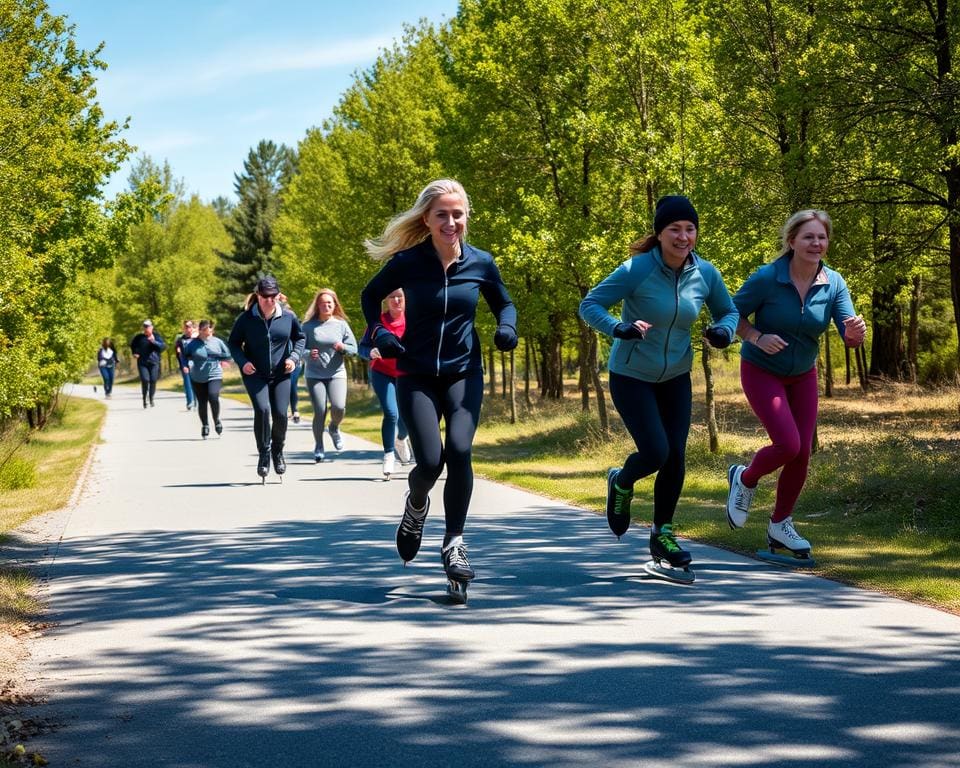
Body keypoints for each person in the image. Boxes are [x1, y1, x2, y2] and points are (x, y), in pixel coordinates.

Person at [360, 178, 517, 596]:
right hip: (416, 374)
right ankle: (415, 507)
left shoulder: (481, 263)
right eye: (442, 215)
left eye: (457, 214)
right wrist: (379, 334)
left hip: (464, 372)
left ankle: (454, 544)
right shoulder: (407, 262)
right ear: (427, 219)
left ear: (467, 217)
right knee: (430, 462)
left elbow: (504, 302)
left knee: (460, 451)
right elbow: (368, 298)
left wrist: (507, 326)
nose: (451, 222)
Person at [579, 195, 738, 580]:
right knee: (655, 451)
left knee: (676, 457)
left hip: (675, 377)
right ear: (659, 233)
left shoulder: (706, 274)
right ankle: (622, 481)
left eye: (690, 229)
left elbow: (729, 311)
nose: (683, 237)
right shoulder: (637, 269)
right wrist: (619, 327)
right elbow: (590, 304)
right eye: (674, 229)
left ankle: (662, 534)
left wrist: (723, 331)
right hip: (631, 374)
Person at [725, 209, 866, 558]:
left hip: (803, 373)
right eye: (808, 237)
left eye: (821, 237)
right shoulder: (767, 278)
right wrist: (756, 336)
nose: (816, 243)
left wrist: (853, 335)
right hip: (762, 370)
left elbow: (849, 333)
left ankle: (780, 524)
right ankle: (745, 478)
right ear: (791, 241)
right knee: (788, 443)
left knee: (802, 451)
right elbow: (729, 314)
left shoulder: (834, 283)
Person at [227, 276, 305, 480]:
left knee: (280, 414)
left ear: (278, 296)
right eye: (265, 297)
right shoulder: (246, 319)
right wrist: (243, 362)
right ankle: (264, 453)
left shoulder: (288, 317)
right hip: (255, 374)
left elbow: (300, 338)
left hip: (281, 374)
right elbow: (234, 343)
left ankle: (277, 451)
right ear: (258, 296)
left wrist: (294, 358)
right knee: (262, 410)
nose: (269, 300)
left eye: (273, 296)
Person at [358, 288, 413, 478]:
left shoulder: (413, 318)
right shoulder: (378, 322)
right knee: (391, 413)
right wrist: (370, 352)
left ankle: (401, 438)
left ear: (406, 299)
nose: (396, 300)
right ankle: (389, 454)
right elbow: (363, 347)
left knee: (407, 414)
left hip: (407, 373)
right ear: (386, 301)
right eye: (392, 297)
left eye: (400, 297)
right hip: (382, 372)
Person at [301, 288, 358, 462]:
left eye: (329, 303)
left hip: (336, 372)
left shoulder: (341, 324)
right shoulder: (308, 326)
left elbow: (354, 349)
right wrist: (309, 354)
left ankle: (333, 427)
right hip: (314, 373)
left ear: (334, 305)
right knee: (320, 410)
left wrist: (343, 348)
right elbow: (298, 349)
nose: (326, 306)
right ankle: (319, 446)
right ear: (317, 306)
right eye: (322, 303)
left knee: (339, 407)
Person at [185, 320, 231, 439]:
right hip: (197, 376)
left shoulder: (217, 342)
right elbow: (185, 356)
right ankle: (205, 425)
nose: (207, 333)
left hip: (215, 374)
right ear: (200, 330)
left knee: (213, 396)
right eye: (205, 330)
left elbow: (228, 355)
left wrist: (217, 356)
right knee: (202, 402)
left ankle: (216, 420)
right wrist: (187, 365)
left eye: (209, 330)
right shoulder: (193, 344)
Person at [130, 319, 166, 408]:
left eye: (148, 327)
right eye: (145, 327)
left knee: (153, 380)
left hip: (154, 362)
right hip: (142, 363)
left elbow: (163, 347)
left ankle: (151, 398)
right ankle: (144, 398)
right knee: (145, 380)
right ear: (143, 328)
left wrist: (153, 341)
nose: (146, 328)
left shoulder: (156, 336)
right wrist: (135, 352)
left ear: (152, 327)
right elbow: (133, 346)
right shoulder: (139, 337)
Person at [174, 320, 199, 411]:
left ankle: (197, 402)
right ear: (184, 329)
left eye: (190, 327)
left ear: (193, 328)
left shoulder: (197, 339)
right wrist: (183, 365)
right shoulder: (180, 340)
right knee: (188, 383)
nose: (188, 329)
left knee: (196, 383)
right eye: (186, 327)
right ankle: (190, 402)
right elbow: (179, 353)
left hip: (197, 364)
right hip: (185, 364)